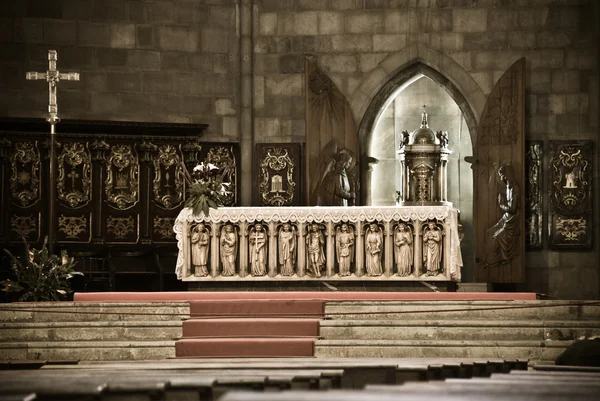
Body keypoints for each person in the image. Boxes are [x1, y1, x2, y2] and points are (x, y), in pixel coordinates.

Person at [484, 164, 520, 267]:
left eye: (502, 175)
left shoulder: (514, 188)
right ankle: (489, 260)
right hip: (506, 217)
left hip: (511, 220)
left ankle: (493, 262)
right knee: (489, 232)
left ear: (506, 175)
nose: (500, 177)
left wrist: (501, 205)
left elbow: (513, 209)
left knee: (496, 237)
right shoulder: (508, 186)